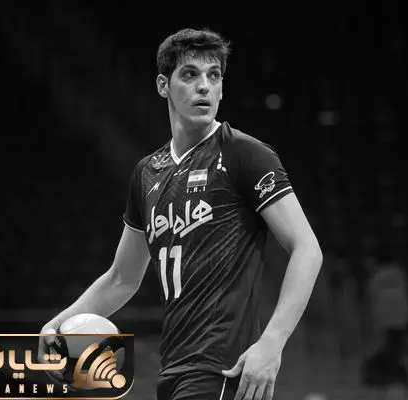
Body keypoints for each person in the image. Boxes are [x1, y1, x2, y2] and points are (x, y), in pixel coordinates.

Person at [38, 28, 323, 400]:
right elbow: (122, 278)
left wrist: (272, 343)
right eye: (190, 74)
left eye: (214, 76)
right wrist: (56, 325)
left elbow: (307, 248)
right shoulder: (147, 173)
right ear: (163, 86)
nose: (204, 86)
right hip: (173, 370)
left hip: (223, 367)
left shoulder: (243, 153)